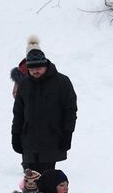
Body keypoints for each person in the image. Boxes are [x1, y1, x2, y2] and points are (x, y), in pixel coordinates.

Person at [11, 43, 78, 175]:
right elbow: (18, 113)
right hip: (29, 141)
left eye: (39, 68)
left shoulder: (62, 82)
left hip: (52, 140)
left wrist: (67, 134)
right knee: (30, 181)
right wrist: (15, 135)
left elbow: (70, 110)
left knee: (47, 179)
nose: (35, 71)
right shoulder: (24, 85)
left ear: (46, 65)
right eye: (32, 69)